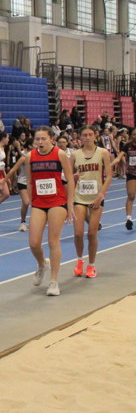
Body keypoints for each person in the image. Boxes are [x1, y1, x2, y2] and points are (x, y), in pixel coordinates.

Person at [23, 127, 75, 296]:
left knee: (53, 241)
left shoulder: (60, 154)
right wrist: (31, 201)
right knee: (34, 243)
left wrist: (70, 204)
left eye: (43, 139)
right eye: (37, 139)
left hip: (57, 201)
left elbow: (70, 179)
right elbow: (29, 181)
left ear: (52, 139)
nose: (40, 142)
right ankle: (41, 264)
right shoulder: (30, 157)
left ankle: (54, 282)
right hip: (39, 203)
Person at [71, 127, 111, 278]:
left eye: (90, 135)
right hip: (79, 197)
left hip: (96, 197)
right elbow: (68, 176)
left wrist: (101, 194)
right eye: (84, 135)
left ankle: (91, 265)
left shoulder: (103, 153)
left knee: (92, 233)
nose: (87, 137)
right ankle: (79, 260)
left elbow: (109, 175)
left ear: (95, 136)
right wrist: (73, 177)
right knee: (78, 233)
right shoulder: (75, 154)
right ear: (80, 137)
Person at [114, 131, 136, 230]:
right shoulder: (127, 145)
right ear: (131, 136)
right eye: (134, 134)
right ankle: (129, 219)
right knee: (131, 195)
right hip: (131, 174)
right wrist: (110, 165)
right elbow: (119, 158)